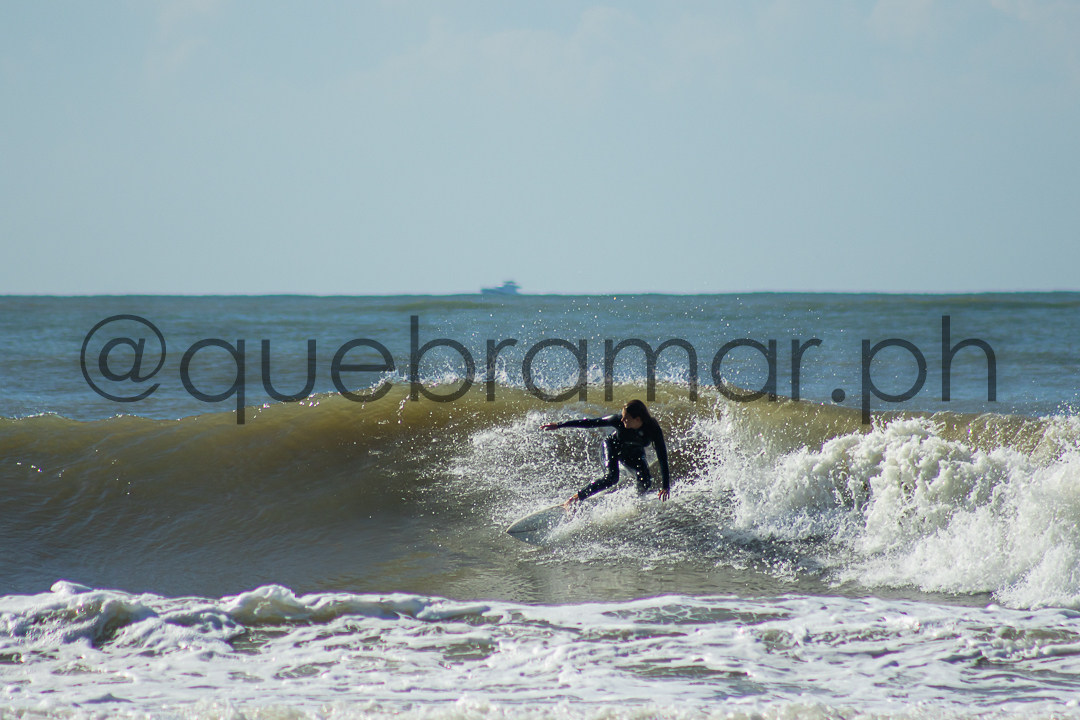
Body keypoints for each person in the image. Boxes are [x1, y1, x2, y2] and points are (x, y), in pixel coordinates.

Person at [540, 399, 671, 508]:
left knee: (645, 481)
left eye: (626, 418)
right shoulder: (618, 421)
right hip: (612, 446)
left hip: (633, 453)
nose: (622, 420)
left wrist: (665, 487)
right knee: (611, 478)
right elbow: (591, 423)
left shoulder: (653, 429)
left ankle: (637, 504)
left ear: (637, 419)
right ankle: (574, 499)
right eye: (622, 416)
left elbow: (662, 457)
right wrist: (559, 425)